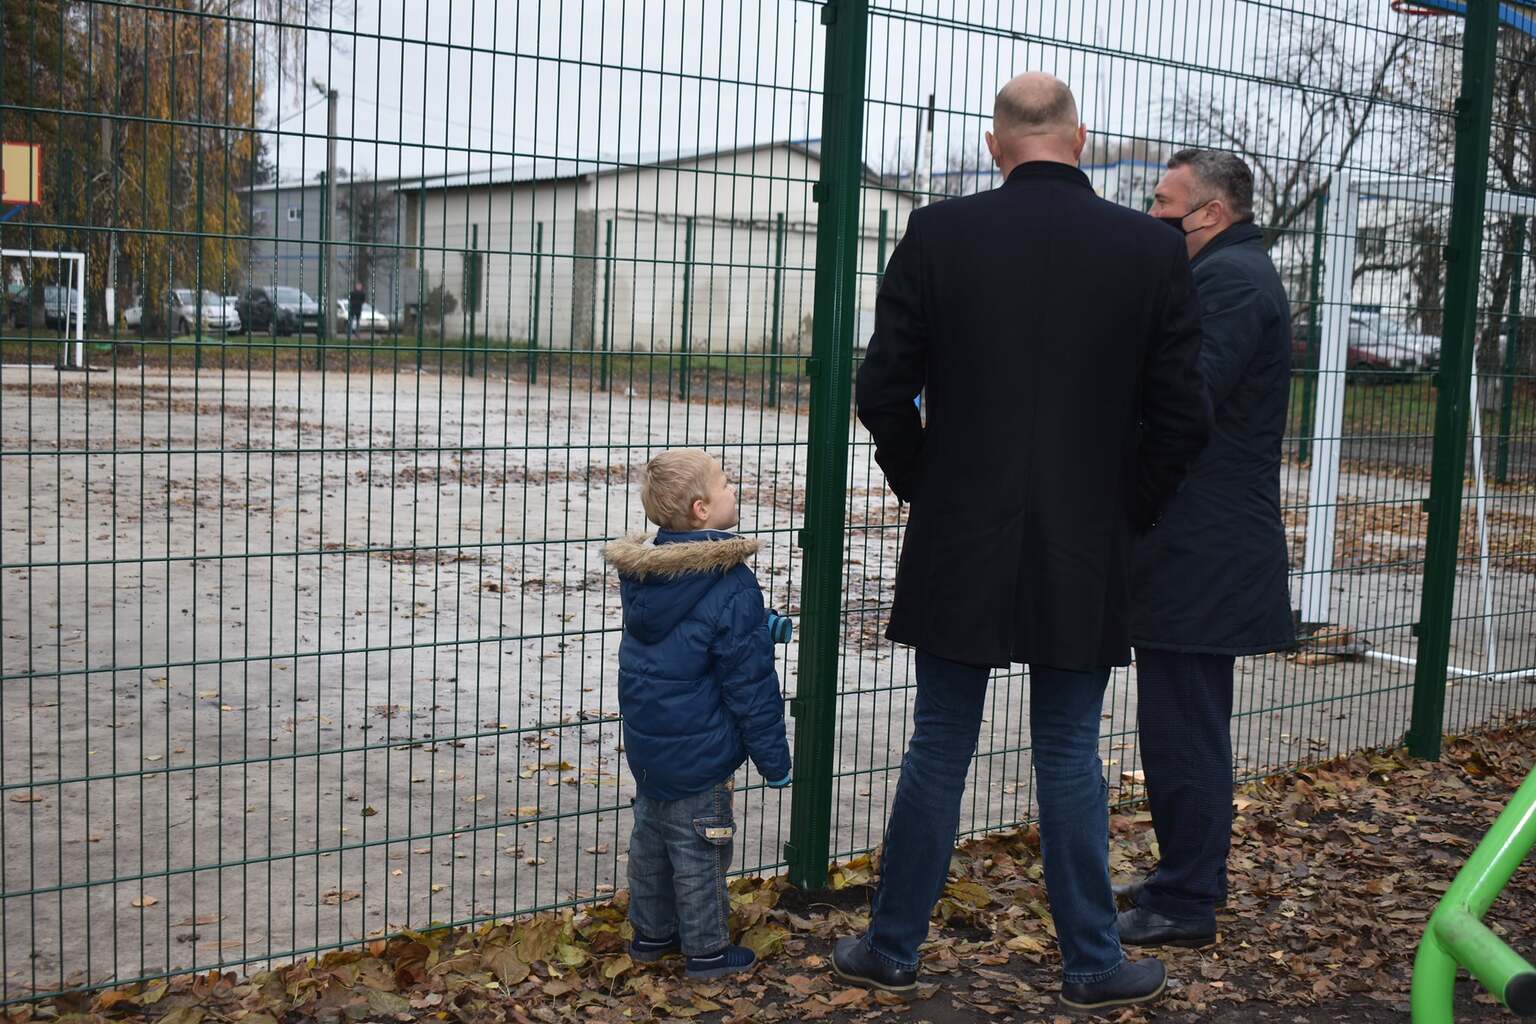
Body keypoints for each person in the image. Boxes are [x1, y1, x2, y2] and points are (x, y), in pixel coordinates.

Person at [837, 72, 1212, 1013]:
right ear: (1079, 142)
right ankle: (1091, 964)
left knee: (939, 743)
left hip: (963, 532)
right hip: (1087, 539)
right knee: (1069, 750)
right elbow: (1182, 416)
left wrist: (936, 487)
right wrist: (1126, 508)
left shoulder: (940, 234)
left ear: (999, 145)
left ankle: (891, 949)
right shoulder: (1149, 247)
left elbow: (882, 391)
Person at [1117, 150, 1296, 949]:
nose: (1152, 216)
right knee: (1184, 720)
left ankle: (1187, 900)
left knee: (1183, 726)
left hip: (1203, 548)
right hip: (1201, 543)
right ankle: (1182, 878)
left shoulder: (1229, 282)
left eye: (1163, 204)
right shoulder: (1231, 272)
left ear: (1211, 213)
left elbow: (1185, 395)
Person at [601, 449, 793, 979]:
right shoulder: (730, 580)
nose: (736, 489)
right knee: (701, 852)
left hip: (652, 744)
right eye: (727, 484)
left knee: (652, 844)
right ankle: (707, 951)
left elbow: (688, 634)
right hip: (703, 750)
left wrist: (762, 623)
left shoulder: (647, 576)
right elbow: (749, 683)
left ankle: (651, 936)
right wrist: (773, 760)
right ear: (703, 509)